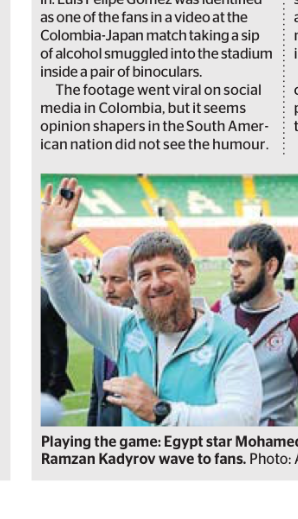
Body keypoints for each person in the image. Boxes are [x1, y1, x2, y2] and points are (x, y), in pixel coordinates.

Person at [39, 179, 261, 426]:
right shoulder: (125, 328)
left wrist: (160, 412)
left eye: (166, 270)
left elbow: (242, 420)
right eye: (144, 276)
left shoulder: (229, 340)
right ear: (133, 286)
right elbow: (72, 302)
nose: (155, 284)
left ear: (190, 273)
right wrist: (52, 253)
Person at [213, 223, 298, 427]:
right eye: (231, 262)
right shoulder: (218, 311)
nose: (233, 272)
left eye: (243, 264)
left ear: (270, 266)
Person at [86, 246, 134, 428]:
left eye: (116, 280)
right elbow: (97, 396)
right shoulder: (102, 327)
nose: (108, 289)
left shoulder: (155, 333)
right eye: (103, 280)